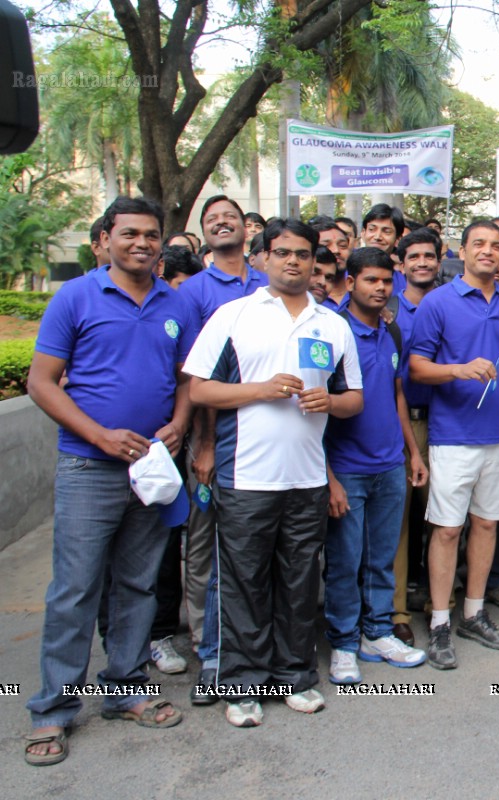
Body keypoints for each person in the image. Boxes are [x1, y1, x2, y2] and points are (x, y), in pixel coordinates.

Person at [25, 196, 191, 766]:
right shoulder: (75, 297)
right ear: (105, 240)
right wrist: (99, 436)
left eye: (151, 235)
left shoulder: (176, 301)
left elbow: (186, 377)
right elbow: (41, 383)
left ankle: (126, 689)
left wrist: (179, 423)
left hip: (150, 468)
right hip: (89, 465)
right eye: (130, 234)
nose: (142, 243)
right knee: (75, 589)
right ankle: (54, 708)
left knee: (138, 584)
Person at [185, 218, 363, 727]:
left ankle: (295, 675)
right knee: (244, 583)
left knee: (300, 582)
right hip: (246, 478)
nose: (293, 261)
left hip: (306, 479)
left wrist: (329, 400)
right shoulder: (233, 316)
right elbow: (198, 389)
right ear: (261, 257)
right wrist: (259, 389)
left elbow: (355, 399)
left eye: (303, 254)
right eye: (282, 252)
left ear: (315, 262)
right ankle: (242, 684)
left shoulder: (333, 323)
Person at [408, 220, 499, 669]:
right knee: (446, 529)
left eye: (495, 246)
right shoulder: (438, 303)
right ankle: (440, 621)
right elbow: (417, 369)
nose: (487, 251)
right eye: (478, 244)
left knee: (487, 526)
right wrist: (459, 370)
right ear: (460, 252)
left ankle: (474, 612)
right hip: (453, 437)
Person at [174, 194, 267, 701]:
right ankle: (211, 655)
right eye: (212, 220)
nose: (222, 223)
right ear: (204, 234)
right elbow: (196, 377)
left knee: (257, 557)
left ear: (246, 230)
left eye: (230, 216)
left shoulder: (267, 284)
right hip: (217, 446)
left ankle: (256, 652)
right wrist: (205, 447)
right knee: (213, 553)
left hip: (266, 450)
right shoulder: (193, 293)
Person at [323, 248, 430, 684]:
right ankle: (344, 643)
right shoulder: (331, 332)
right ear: (350, 283)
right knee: (345, 561)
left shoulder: (393, 332)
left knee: (381, 558)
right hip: (346, 467)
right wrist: (327, 477)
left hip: (389, 464)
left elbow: (397, 394)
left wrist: (413, 453)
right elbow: (313, 409)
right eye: (370, 280)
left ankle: (377, 633)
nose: (380, 288)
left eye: (386, 280)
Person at [390, 229, 440, 646]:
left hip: (444, 423)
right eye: (415, 256)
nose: (422, 262)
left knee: (441, 518)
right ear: (400, 263)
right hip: (400, 426)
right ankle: (397, 611)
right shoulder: (388, 311)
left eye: (430, 256)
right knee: (400, 524)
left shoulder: (447, 306)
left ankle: (440, 601)